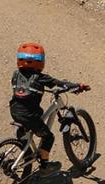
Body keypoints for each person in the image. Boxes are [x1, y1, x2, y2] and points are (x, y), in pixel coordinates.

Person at [10, 42, 88, 173]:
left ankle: (25, 151)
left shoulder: (15, 74)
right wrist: (77, 85)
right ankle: (45, 166)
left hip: (14, 111)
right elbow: (58, 83)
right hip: (30, 115)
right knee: (48, 137)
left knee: (28, 125)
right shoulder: (41, 78)